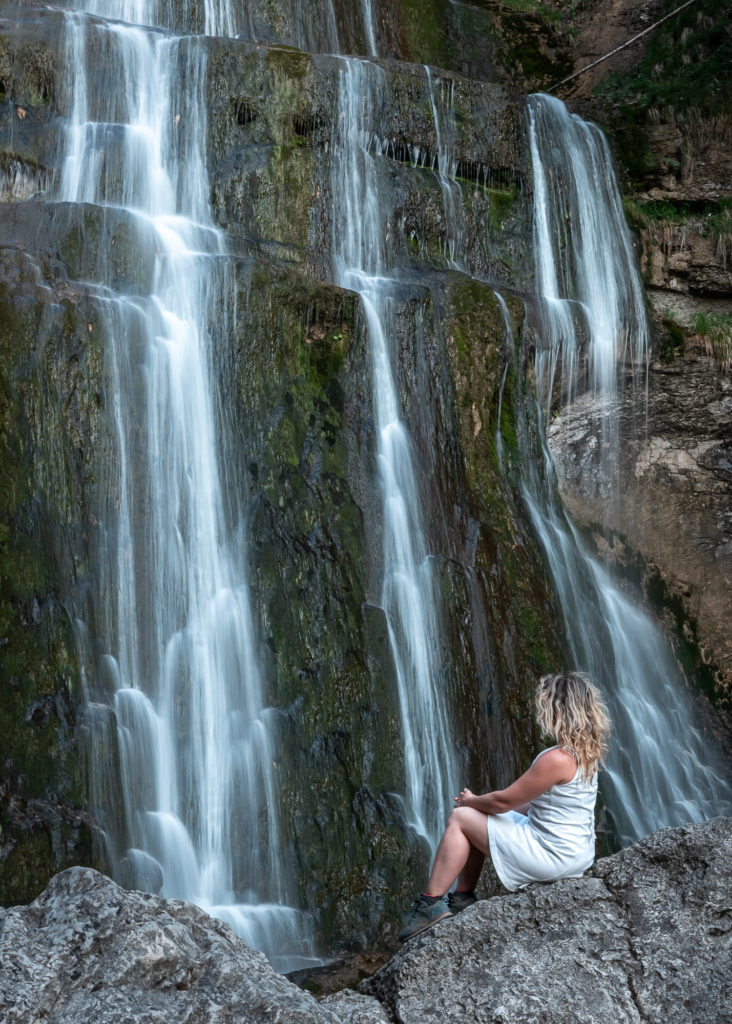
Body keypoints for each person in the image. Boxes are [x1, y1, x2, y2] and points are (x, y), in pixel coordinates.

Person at [399, 671, 610, 942]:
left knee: (461, 817)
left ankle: (430, 904)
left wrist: (471, 801)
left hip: (554, 856)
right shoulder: (584, 754)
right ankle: (462, 897)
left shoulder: (557, 759)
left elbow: (505, 801)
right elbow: (534, 805)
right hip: (574, 852)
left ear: (557, 709)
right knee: (477, 817)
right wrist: (482, 808)